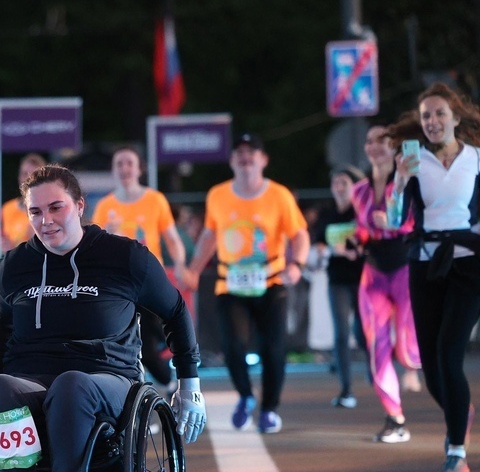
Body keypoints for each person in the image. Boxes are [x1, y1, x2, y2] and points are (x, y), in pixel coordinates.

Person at [0, 164, 204, 472]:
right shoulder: (14, 266)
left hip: (108, 379)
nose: (46, 221)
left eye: (56, 207)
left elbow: (174, 311)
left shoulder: (125, 257)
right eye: (35, 212)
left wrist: (189, 385)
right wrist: (0, 379)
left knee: (72, 384)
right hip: (34, 380)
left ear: (80, 206)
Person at [181, 133, 309, 434]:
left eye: (252, 152)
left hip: (271, 281)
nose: (245, 157)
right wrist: (194, 269)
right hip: (231, 284)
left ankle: (270, 409)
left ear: (264, 160)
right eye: (239, 152)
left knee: (273, 349)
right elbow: (210, 235)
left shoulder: (279, 195)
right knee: (233, 346)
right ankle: (245, 396)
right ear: (231, 161)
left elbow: (299, 233)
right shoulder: (218, 195)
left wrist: (297, 265)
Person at [389, 82, 480, 472]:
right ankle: (460, 413)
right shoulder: (413, 161)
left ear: (456, 118)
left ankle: (456, 452)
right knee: (430, 368)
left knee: (448, 352)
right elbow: (395, 219)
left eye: (440, 113)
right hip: (425, 262)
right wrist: (397, 181)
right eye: (426, 115)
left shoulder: (476, 159)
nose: (432, 121)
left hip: (469, 262)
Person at [91, 146, 189, 390]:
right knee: (137, 344)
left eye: (129, 163)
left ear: (139, 169)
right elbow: (93, 247)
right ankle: (160, 386)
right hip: (119, 285)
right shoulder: (105, 206)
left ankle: (171, 375)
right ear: (113, 170)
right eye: (119, 164)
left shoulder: (155, 200)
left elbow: (172, 238)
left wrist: (180, 265)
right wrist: (107, 236)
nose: (124, 168)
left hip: (149, 281)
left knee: (153, 334)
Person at [353, 124, 422, 443]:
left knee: (408, 349)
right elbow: (361, 229)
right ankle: (395, 418)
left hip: (405, 265)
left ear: (395, 147)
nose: (375, 146)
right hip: (373, 272)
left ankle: (413, 366)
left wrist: (396, 224)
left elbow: (419, 221)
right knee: (377, 348)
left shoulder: (408, 181)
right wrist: (354, 240)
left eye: (382, 140)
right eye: (370, 141)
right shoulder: (359, 191)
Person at [311, 165, 368, 409]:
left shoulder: (362, 211)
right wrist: (329, 250)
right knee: (341, 334)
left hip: (363, 278)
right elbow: (319, 244)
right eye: (336, 183)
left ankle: (375, 372)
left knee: (363, 332)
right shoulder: (327, 213)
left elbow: (370, 239)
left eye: (344, 182)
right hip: (337, 280)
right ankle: (346, 389)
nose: (340, 187)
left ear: (355, 186)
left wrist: (356, 249)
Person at [0, 153, 47, 251]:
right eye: (24, 174)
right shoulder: (7, 208)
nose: (28, 179)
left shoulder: (49, 209)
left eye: (34, 175)